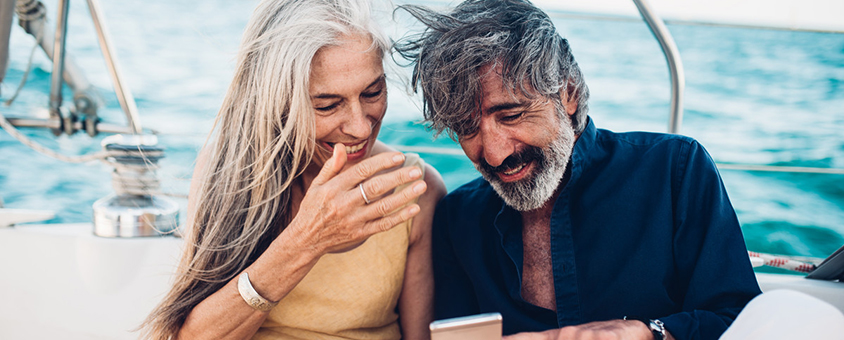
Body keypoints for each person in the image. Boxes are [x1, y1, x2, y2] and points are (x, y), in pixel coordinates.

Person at [394, 0, 761, 339]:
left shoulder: (675, 171)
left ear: (567, 93)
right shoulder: (458, 218)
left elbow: (743, 321)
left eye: (511, 115)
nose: (492, 155)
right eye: (467, 129)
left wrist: (650, 333)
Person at [141, 0, 445, 339]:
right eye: (327, 105)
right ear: (277, 101)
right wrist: (306, 241)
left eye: (373, 92)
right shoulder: (225, 174)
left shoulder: (416, 190)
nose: (360, 128)